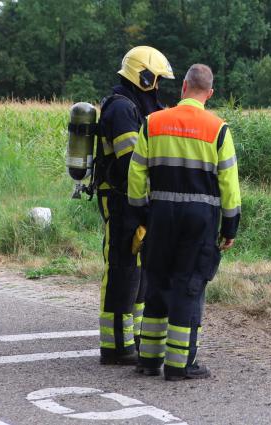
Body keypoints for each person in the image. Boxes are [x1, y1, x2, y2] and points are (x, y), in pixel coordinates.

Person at [128, 64, 241, 380]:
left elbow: (136, 174)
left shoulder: (152, 123)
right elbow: (229, 185)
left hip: (160, 215)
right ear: (210, 93)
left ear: (183, 88)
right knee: (188, 286)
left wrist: (141, 214)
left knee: (157, 282)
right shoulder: (218, 130)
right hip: (200, 220)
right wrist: (230, 227)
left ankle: (148, 360)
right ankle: (180, 365)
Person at [97, 46, 174, 365]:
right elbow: (131, 165)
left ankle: (136, 337)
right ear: (142, 77)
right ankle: (115, 346)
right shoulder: (122, 110)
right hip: (120, 199)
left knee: (139, 269)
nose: (157, 88)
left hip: (135, 199)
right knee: (122, 269)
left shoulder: (132, 107)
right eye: (155, 80)